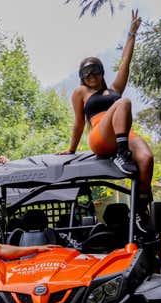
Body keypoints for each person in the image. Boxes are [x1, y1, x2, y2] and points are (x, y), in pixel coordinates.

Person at [58, 10, 155, 224]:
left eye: (94, 70)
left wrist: (131, 33)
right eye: (85, 73)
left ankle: (140, 207)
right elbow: (78, 123)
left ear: (102, 71)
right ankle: (122, 154)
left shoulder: (114, 89)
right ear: (81, 77)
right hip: (101, 136)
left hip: (124, 135)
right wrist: (71, 149)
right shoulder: (81, 93)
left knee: (146, 159)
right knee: (124, 102)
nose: (91, 76)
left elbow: (125, 62)